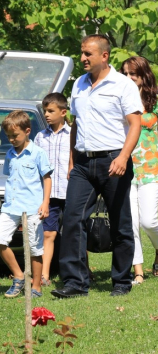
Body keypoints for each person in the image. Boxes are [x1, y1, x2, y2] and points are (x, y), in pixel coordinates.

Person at [51, 34, 142, 299]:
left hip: (114, 160)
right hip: (82, 163)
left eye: (87, 54)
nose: (82, 59)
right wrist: (71, 161)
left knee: (120, 223)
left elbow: (135, 124)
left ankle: (122, 281)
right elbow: (75, 125)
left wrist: (123, 157)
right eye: (81, 53)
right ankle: (75, 283)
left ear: (104, 56)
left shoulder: (123, 85)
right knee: (72, 219)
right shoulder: (78, 84)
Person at [119, 56, 158, 285]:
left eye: (132, 73)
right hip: (124, 168)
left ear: (143, 74)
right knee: (131, 222)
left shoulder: (156, 99)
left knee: (148, 221)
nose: (128, 78)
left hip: (151, 167)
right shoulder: (118, 97)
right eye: (124, 73)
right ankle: (137, 271)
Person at [0, 110, 52, 298]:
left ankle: (36, 286)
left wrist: (45, 203)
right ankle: (19, 276)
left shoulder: (38, 153)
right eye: (8, 136)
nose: (12, 140)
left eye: (15, 136)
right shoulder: (10, 155)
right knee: (0, 239)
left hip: (32, 208)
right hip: (10, 207)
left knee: (34, 248)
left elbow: (47, 178)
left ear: (27, 131)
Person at [34, 93, 70, 286]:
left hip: (70, 191)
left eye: (51, 111)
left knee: (75, 231)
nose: (47, 115)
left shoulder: (72, 134)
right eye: (45, 111)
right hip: (49, 195)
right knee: (48, 233)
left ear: (63, 112)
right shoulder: (40, 137)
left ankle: (83, 269)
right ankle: (44, 275)